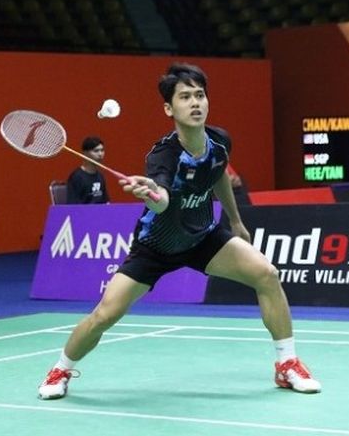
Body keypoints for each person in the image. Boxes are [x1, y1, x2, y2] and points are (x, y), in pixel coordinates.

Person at [37, 63, 321, 400]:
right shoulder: (164, 155)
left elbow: (217, 174)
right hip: (156, 247)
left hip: (202, 237)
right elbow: (161, 199)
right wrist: (152, 194)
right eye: (185, 97)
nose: (195, 103)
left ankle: (286, 364)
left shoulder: (219, 140)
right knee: (104, 315)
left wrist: (235, 220)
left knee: (267, 274)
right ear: (169, 109)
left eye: (199, 95)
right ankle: (61, 368)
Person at [66, 136, 110, 204]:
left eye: (102, 150)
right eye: (96, 151)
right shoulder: (77, 177)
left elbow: (106, 202)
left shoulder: (100, 176)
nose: (100, 154)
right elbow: (73, 206)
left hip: (100, 213)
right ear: (85, 153)